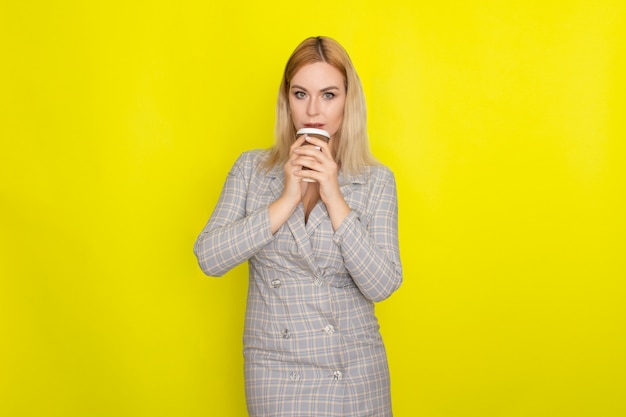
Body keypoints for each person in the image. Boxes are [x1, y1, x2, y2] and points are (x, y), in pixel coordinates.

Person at [194, 36, 402, 417]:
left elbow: (383, 284)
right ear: (286, 100)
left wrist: (334, 195)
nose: (313, 111)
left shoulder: (376, 180)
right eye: (300, 93)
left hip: (354, 374)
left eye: (328, 95)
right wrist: (286, 200)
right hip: (276, 372)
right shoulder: (252, 170)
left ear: (348, 100)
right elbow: (209, 257)